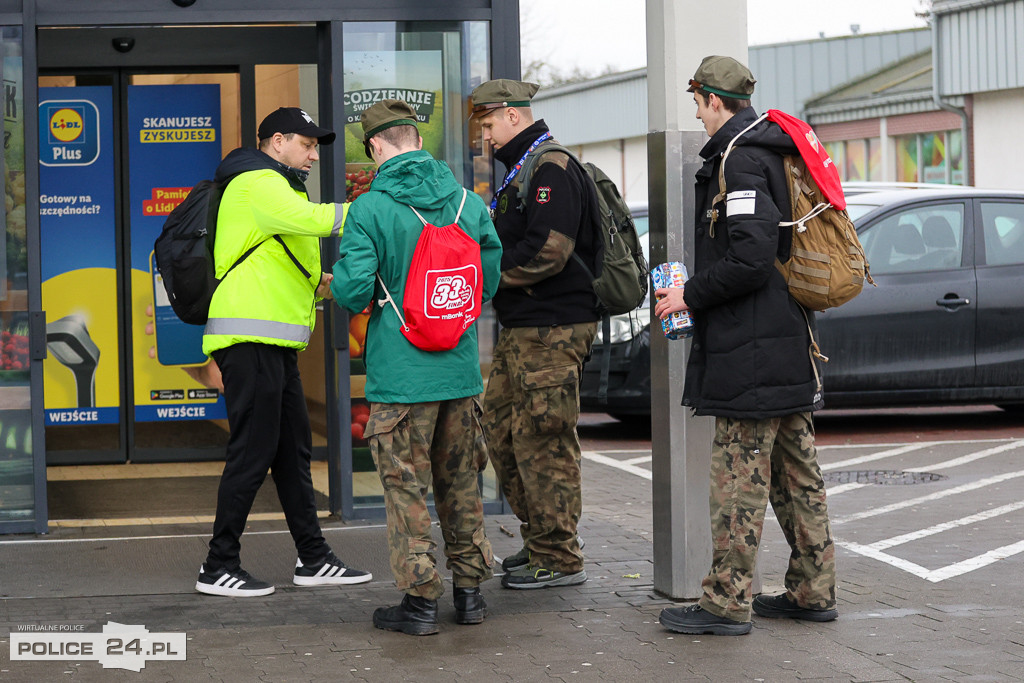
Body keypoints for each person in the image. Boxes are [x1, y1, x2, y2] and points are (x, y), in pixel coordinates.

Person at [654, 56, 838, 635]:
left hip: (751, 352)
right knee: (797, 477)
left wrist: (689, 294)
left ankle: (726, 602)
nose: (699, 117)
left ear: (713, 100)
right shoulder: (771, 151)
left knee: (738, 480)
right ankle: (813, 590)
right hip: (784, 344)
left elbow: (750, 260)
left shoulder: (743, 162)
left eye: (698, 105)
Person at [331, 99, 502, 635]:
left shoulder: (369, 208)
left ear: (376, 147)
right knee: (462, 485)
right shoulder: (465, 203)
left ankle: (420, 602)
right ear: (418, 142)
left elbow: (355, 288)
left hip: (402, 377)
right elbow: (489, 276)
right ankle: (470, 594)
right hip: (459, 372)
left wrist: (347, 285)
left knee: (406, 489)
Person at [195, 107, 372, 597]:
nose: (315, 155)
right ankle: (217, 565)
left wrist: (324, 286)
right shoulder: (257, 181)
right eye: (307, 144)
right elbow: (314, 221)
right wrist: (375, 208)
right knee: (252, 454)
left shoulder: (276, 184)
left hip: (273, 343)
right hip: (249, 341)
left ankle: (313, 558)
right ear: (277, 141)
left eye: (317, 146)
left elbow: (281, 261)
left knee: (292, 454)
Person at [470, 79, 601, 589]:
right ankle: (542, 537)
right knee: (501, 433)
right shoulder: (524, 171)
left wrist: (484, 282)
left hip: (553, 328)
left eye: (488, 124)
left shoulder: (552, 168)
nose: (485, 137)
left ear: (513, 117)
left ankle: (561, 555)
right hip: (524, 326)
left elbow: (550, 250)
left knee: (543, 440)